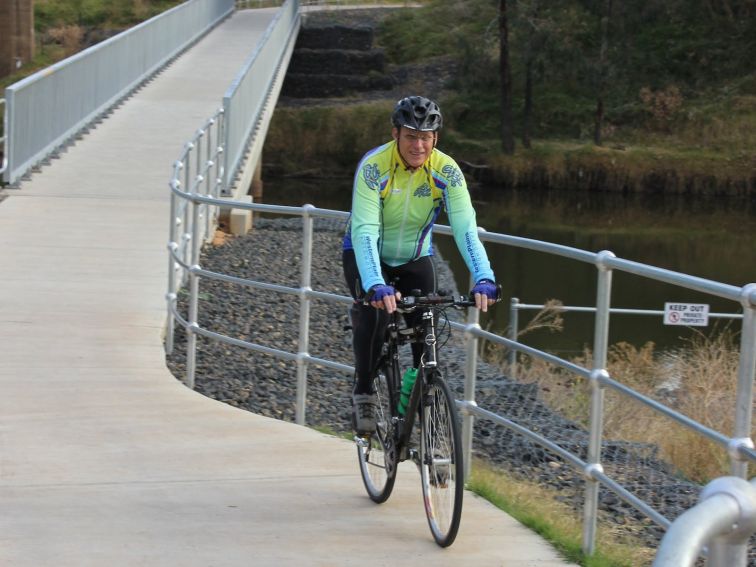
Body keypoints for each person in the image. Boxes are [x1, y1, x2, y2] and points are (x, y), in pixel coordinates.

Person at [342, 95, 499, 434]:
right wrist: (374, 283)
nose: (418, 144)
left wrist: (484, 276)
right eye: (411, 135)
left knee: (426, 325)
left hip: (415, 257)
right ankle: (365, 390)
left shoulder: (447, 171)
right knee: (376, 313)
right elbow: (366, 230)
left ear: (435, 139)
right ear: (395, 133)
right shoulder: (374, 167)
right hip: (365, 253)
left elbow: (465, 228)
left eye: (425, 137)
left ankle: (422, 410)